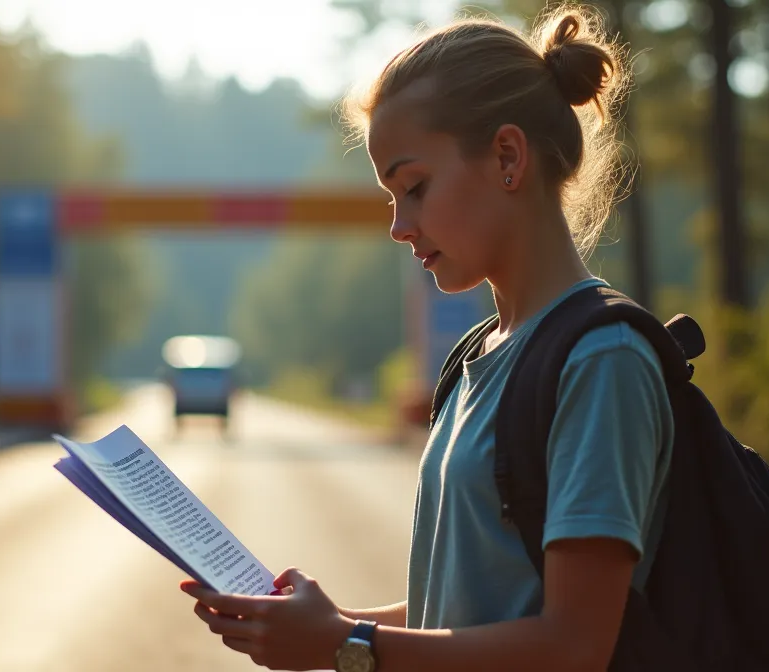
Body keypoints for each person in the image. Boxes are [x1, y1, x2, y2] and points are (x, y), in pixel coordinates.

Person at [180, 6, 663, 671]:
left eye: (414, 187)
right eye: (391, 196)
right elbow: (468, 605)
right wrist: (327, 629)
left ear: (508, 156)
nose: (398, 225)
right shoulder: (477, 358)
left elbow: (573, 647)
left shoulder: (601, 361)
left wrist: (346, 646)